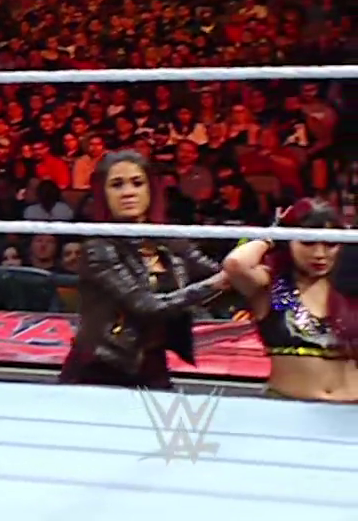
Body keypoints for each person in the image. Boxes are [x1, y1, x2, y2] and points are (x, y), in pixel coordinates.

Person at [59, 150, 228, 390]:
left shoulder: (169, 241)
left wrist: (257, 248)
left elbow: (221, 273)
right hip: (102, 365)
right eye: (117, 185)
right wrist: (215, 284)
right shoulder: (98, 248)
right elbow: (145, 306)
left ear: (150, 189)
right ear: (103, 194)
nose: (128, 192)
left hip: (151, 363)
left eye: (137, 183)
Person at [221, 198, 358, 401]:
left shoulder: (350, 289)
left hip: (350, 411)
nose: (319, 254)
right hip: (288, 408)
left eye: (330, 244)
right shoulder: (273, 286)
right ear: (288, 242)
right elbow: (236, 263)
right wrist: (275, 235)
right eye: (307, 242)